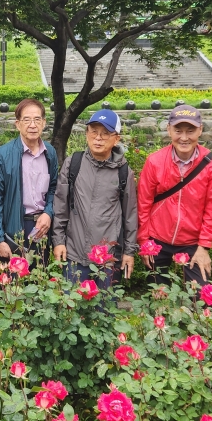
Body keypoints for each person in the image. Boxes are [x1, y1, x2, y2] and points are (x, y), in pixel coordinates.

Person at [137, 105, 212, 286]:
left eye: (190, 131)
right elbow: (143, 203)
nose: (184, 138)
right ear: (169, 130)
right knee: (158, 294)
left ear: (200, 130)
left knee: (199, 295)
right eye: (178, 131)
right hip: (157, 237)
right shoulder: (154, 161)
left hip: (192, 241)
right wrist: (144, 240)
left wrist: (204, 246)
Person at [52, 110, 138, 288]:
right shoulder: (73, 163)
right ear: (87, 134)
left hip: (108, 258)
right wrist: (58, 241)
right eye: (94, 132)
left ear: (116, 139)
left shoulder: (123, 172)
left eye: (105, 133)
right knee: (72, 303)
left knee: (105, 305)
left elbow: (130, 215)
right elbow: (61, 206)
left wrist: (129, 252)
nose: (98, 138)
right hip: (74, 254)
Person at [0, 98, 58, 266]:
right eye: (27, 120)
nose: (32, 125)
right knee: (14, 280)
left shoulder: (50, 152)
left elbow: (54, 188)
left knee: (41, 278)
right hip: (14, 228)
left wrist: (48, 213)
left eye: (37, 120)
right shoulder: (2, 155)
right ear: (18, 124)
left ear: (44, 123)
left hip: (42, 226)